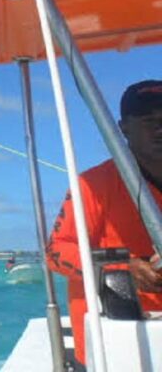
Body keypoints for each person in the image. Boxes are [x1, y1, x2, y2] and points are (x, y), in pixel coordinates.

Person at [46, 79, 162, 369]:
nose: (159, 129)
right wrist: (124, 269)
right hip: (114, 345)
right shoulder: (93, 184)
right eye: (148, 121)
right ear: (124, 128)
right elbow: (56, 252)